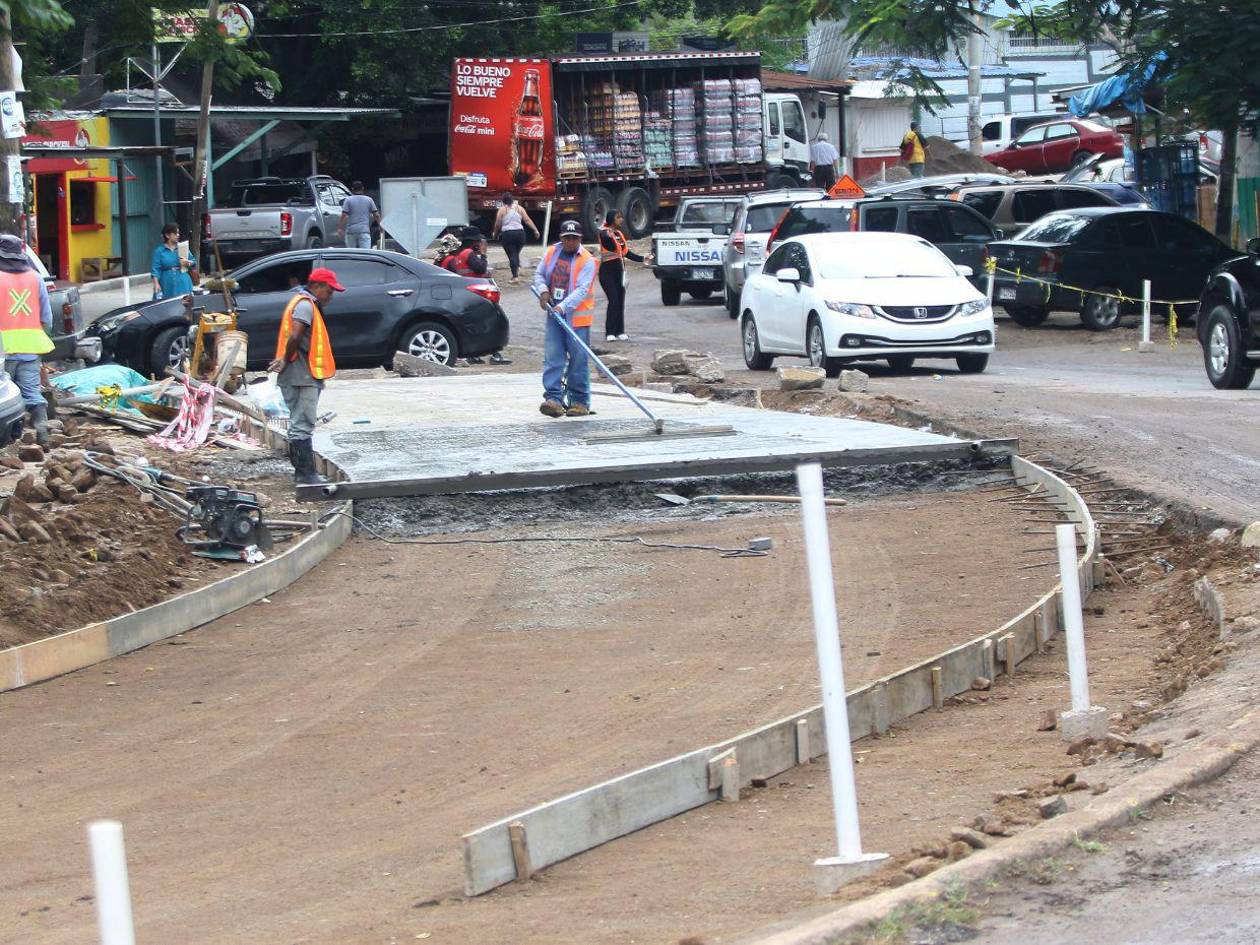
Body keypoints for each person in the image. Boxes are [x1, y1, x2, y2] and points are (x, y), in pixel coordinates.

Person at [267, 267, 342, 485]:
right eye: (329, 291)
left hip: (302, 374)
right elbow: (296, 335)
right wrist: (284, 358)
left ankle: (304, 473)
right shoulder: (305, 306)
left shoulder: (305, 304)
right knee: (303, 422)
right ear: (316, 287)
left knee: (300, 421)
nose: (331, 296)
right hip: (301, 375)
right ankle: (306, 475)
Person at [533, 219, 598, 418]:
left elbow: (581, 290)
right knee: (553, 358)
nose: (570, 242)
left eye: (574, 238)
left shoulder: (587, 260)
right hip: (555, 316)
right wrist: (543, 291)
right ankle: (554, 399)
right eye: (567, 238)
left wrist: (562, 307)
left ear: (580, 239)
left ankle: (579, 402)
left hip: (576, 319)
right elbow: (539, 275)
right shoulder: (552, 252)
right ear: (561, 238)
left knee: (578, 361)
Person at [0, 234, 53, 446]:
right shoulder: (35, 277)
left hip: (4, 348)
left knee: (5, 397)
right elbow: (47, 318)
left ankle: (9, 442)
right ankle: (43, 433)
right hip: (31, 346)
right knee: (32, 392)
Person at [439, 227, 509, 365]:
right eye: (478, 241)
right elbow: (481, 268)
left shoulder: (458, 256)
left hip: (468, 294)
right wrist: (483, 255)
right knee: (493, 321)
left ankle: (474, 354)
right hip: (478, 294)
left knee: (477, 325)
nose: (480, 243)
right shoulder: (469, 253)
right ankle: (495, 355)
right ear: (473, 242)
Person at [597, 209, 645, 342]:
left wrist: (642, 259)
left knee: (620, 301)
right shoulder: (604, 233)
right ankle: (610, 332)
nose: (621, 220)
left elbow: (625, 252)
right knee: (613, 300)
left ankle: (620, 331)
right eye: (618, 218)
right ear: (612, 219)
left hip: (620, 271)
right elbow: (610, 245)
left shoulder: (619, 234)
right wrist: (609, 231)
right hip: (607, 272)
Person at [492, 192, 538, 284]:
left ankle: (515, 277)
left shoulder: (502, 210)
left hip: (508, 234)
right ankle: (516, 268)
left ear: (503, 201)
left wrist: (495, 234)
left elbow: (498, 225)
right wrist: (535, 230)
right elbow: (527, 220)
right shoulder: (519, 208)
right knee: (515, 253)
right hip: (520, 234)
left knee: (512, 254)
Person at [150, 223, 195, 301]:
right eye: (175, 233)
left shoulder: (183, 247)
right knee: (166, 304)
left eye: (178, 233)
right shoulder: (159, 251)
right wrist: (156, 283)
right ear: (167, 235)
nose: (178, 235)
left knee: (185, 304)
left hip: (182, 281)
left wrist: (188, 262)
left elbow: (194, 262)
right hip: (166, 283)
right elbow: (155, 269)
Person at [337, 181, 380, 249]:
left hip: (351, 231)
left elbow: (344, 215)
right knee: (365, 253)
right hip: (364, 231)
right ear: (362, 188)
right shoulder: (369, 200)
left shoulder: (348, 200)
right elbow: (376, 215)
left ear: (352, 189)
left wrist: (340, 228)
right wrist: (381, 226)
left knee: (351, 253)